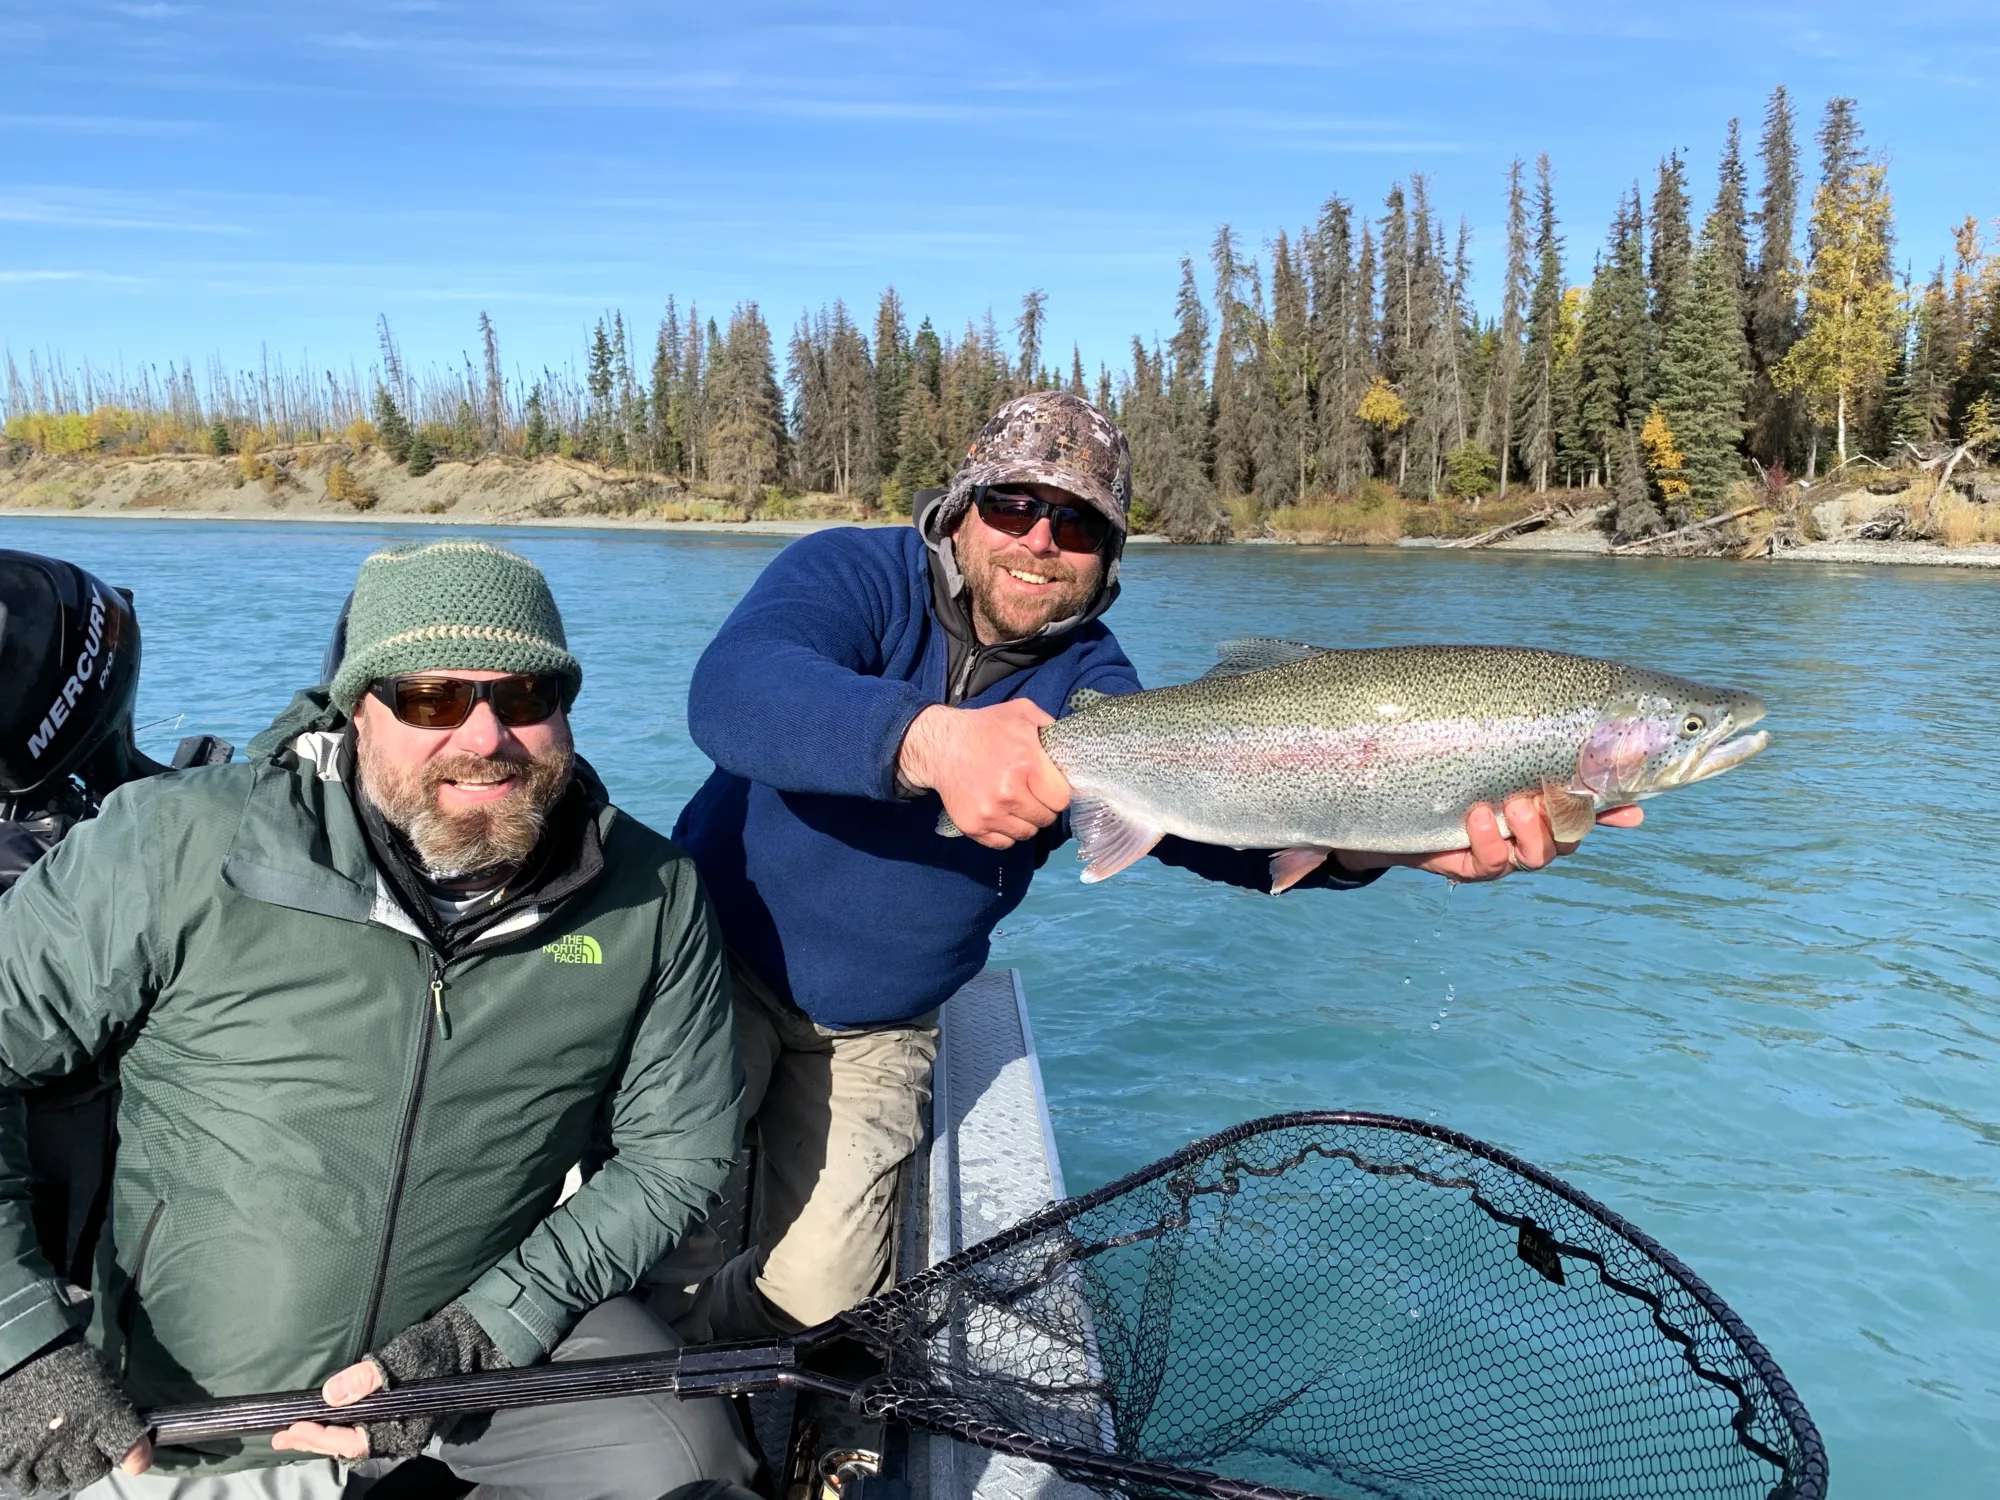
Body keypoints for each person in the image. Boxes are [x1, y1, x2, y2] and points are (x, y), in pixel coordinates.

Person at [671, 391, 1644, 1343]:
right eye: (1013, 504)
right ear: (959, 510)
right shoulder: (849, 574)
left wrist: (1385, 842)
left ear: (1110, 556)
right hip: (707, 971)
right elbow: (732, 693)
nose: (1040, 540)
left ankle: (718, 1346)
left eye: (1078, 524)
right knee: (656, 1228)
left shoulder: (1096, 687)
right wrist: (927, 743)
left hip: (878, 1027)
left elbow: (1214, 837)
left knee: (818, 1303)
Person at [0, 539, 753, 1500]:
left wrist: (489, 1331)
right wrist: (20, 1349)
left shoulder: (653, 894)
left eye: (524, 698)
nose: (485, 738)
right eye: (431, 699)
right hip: (192, 1404)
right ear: (359, 707)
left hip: (483, 1358)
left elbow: (674, 1155)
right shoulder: (174, 841)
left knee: (690, 1464)